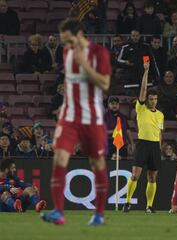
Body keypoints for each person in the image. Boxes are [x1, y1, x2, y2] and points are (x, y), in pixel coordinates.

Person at [40, 18, 111, 226]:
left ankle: (98, 214)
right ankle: (58, 212)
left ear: (80, 35)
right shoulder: (66, 52)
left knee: (97, 162)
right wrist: (65, 103)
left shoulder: (99, 53)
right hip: (69, 116)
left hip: (93, 118)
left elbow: (105, 84)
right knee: (59, 158)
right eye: (65, 42)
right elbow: (69, 80)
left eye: (69, 41)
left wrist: (85, 65)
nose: (67, 46)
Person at [123, 61, 164, 213]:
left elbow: (160, 132)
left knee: (152, 178)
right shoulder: (141, 109)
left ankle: (149, 206)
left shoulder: (160, 115)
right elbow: (143, 89)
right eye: (151, 99)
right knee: (135, 176)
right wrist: (146, 71)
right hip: (142, 145)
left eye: (155, 99)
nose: (153, 101)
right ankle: (127, 203)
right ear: (147, 100)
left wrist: (160, 147)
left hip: (154, 146)